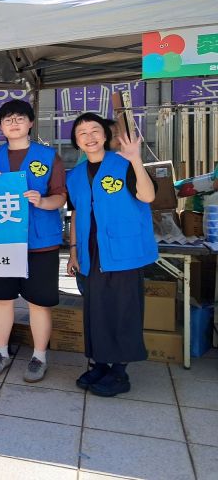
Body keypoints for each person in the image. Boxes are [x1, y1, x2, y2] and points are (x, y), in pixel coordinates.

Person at [67, 112, 157, 397]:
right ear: (76, 142)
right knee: (96, 309)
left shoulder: (124, 164)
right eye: (82, 133)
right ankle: (101, 364)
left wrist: (136, 160)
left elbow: (148, 196)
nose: (90, 137)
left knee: (124, 309)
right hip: (90, 252)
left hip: (123, 250)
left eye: (95, 130)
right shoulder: (75, 176)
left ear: (105, 135)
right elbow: (76, 213)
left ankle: (120, 372)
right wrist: (73, 252)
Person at [0, 100, 66, 383]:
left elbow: (60, 196)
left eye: (20, 118)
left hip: (40, 240)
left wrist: (42, 201)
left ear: (30, 123)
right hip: (2, 240)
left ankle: (39, 356)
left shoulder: (48, 156)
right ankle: (1, 352)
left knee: (39, 302)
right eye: (7, 119)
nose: (14, 123)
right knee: (2, 298)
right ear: (0, 126)